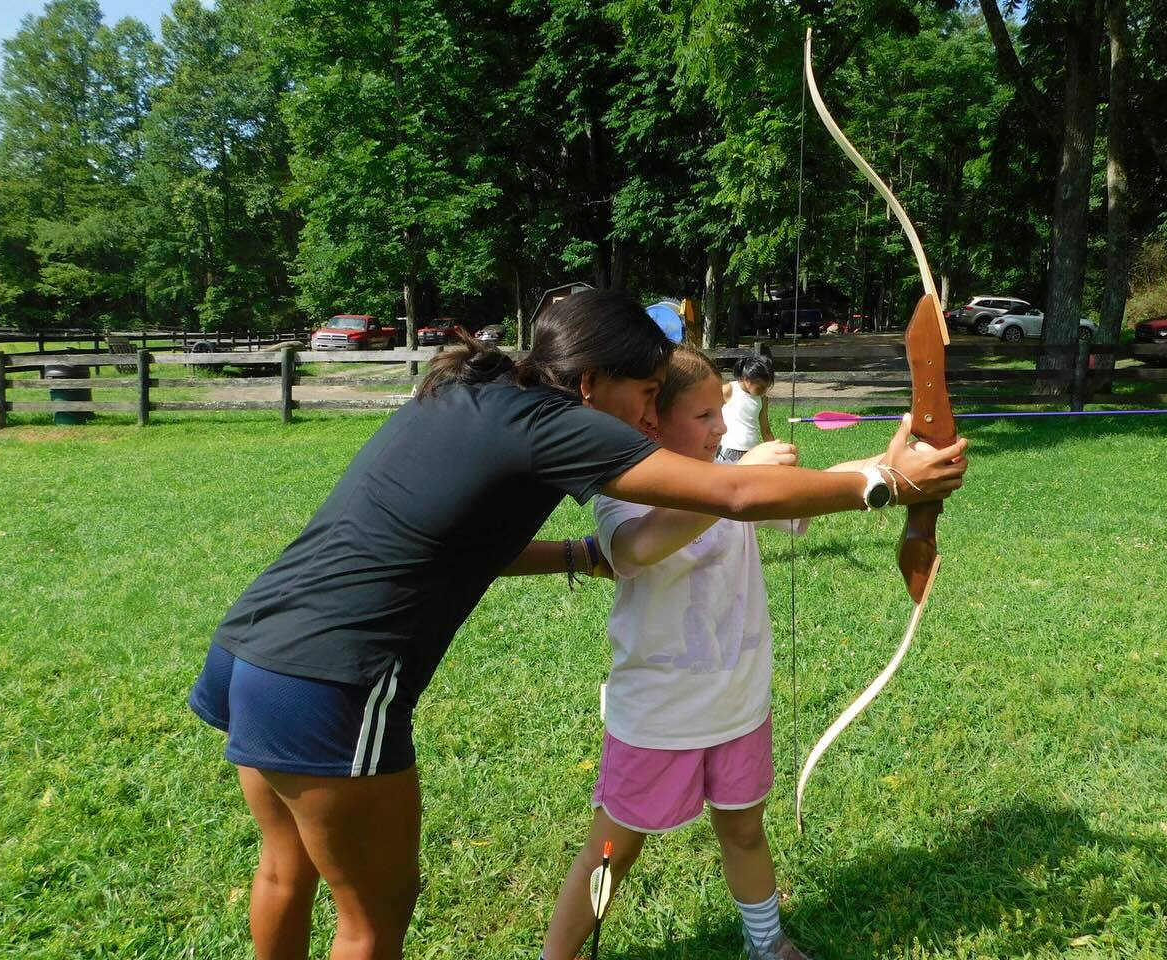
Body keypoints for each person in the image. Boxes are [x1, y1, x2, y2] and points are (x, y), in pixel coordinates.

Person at [187, 289, 968, 960]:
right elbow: (728, 498)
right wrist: (891, 483)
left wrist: (576, 554)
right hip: (332, 677)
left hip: (253, 645)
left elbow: (454, 543)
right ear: (593, 382)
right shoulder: (559, 422)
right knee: (372, 918)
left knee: (285, 871)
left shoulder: (476, 394)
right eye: (647, 390)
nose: (647, 412)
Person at [541, 344, 882, 960]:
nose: (721, 427)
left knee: (745, 829)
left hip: (738, 706)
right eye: (703, 416)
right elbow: (637, 550)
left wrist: (893, 466)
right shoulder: (622, 493)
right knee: (613, 850)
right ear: (652, 421)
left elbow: (826, 486)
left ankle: (766, 943)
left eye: (720, 411)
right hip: (658, 715)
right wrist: (738, 480)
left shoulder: (735, 478)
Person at [718, 352, 777, 464]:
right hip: (729, 450)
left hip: (752, 452)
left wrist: (774, 450)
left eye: (766, 388)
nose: (764, 391)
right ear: (746, 379)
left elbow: (766, 431)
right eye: (760, 387)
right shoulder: (729, 390)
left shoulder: (762, 399)